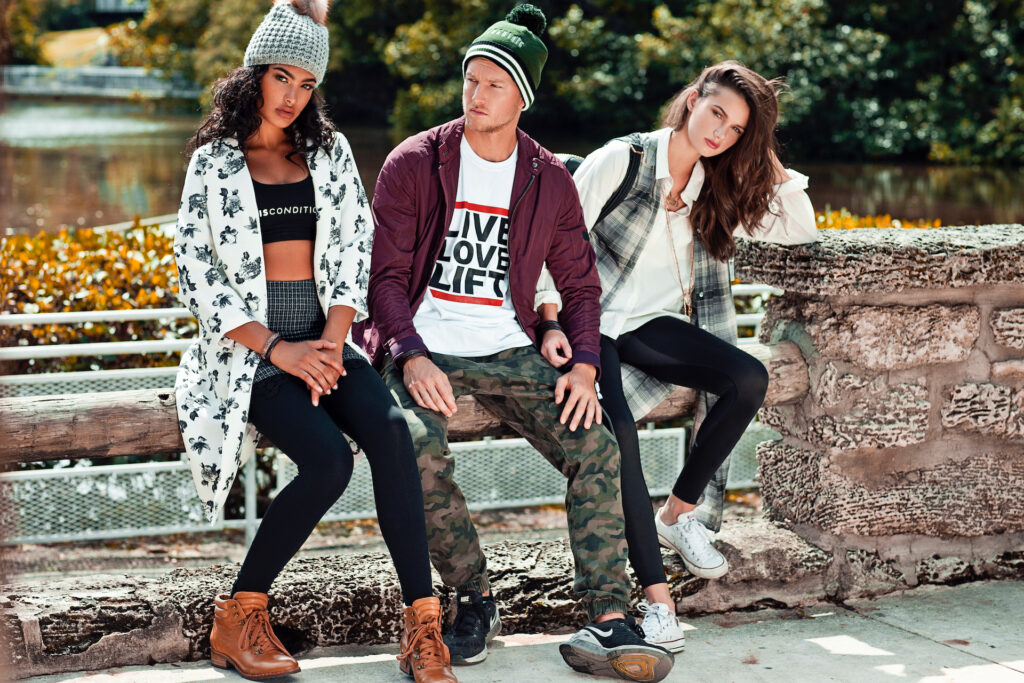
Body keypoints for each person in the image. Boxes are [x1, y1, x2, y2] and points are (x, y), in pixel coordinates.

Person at [355, 4, 674, 682]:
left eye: (494, 84)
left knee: (596, 443)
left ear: (521, 97)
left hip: (510, 345)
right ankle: (474, 596)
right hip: (426, 342)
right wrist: (409, 352)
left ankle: (609, 615)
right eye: (470, 79)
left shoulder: (547, 178)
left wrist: (584, 364)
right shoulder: (414, 162)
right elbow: (383, 278)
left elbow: (580, 284)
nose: (476, 94)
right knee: (414, 446)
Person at [172, 2, 456, 681]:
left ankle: (422, 626)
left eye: (306, 84)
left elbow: (358, 245)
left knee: (394, 431)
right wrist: (280, 350)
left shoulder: (330, 152)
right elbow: (195, 272)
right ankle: (238, 616)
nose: (292, 96)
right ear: (253, 74)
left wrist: (330, 341)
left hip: (326, 340)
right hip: (253, 353)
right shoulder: (213, 162)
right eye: (281, 77)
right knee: (329, 463)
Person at [536, 60, 818, 651]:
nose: (719, 133)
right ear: (692, 100)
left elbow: (800, 228)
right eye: (716, 113)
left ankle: (678, 512)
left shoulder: (717, 183)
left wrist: (761, 153)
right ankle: (657, 602)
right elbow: (553, 240)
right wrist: (551, 319)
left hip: (650, 326)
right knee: (620, 439)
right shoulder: (623, 159)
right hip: (591, 323)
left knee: (747, 377)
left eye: (736, 129)